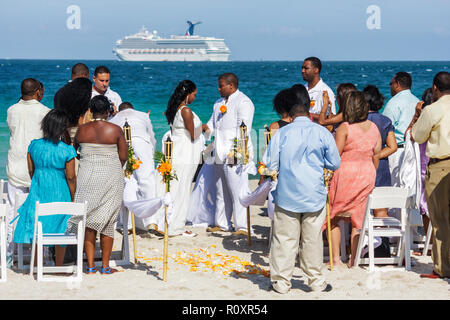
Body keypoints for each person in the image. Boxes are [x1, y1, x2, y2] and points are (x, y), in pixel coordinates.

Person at [263, 85, 340, 294]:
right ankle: (315, 281)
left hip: (287, 194)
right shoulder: (322, 132)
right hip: (314, 193)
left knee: (284, 239)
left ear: (289, 109)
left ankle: (281, 282)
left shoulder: (282, 133)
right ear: (309, 106)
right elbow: (334, 163)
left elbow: (270, 163)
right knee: (312, 239)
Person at [66, 95, 127, 274]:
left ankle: (91, 266)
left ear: (90, 111)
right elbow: (123, 156)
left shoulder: (82, 130)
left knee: (88, 220)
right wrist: (112, 166)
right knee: (108, 221)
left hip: (87, 177)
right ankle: (106, 266)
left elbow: (75, 150)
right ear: (108, 111)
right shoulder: (115, 130)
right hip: (111, 176)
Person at [13, 109, 77, 266]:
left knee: (36, 224)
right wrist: (73, 196)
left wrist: (39, 181)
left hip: (39, 188)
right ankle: (59, 265)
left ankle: (36, 264)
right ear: (63, 128)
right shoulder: (67, 150)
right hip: (60, 190)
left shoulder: (34, 146)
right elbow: (70, 177)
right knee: (60, 225)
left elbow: (31, 170)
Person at [328, 91, 381, 267]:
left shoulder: (345, 128)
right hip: (367, 173)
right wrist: (371, 172)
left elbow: (336, 156)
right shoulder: (374, 128)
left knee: (334, 216)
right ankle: (354, 260)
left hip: (345, 173)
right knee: (358, 219)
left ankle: (335, 259)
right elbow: (376, 154)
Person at [203, 73, 255, 235]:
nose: (218, 89)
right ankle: (223, 223)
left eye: (221, 86)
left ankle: (242, 226)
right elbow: (212, 124)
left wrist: (236, 152)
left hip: (234, 153)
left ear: (231, 86)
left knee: (237, 190)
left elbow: (243, 129)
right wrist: (202, 129)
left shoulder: (244, 102)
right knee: (220, 190)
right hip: (218, 152)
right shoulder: (218, 103)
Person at [6, 78, 50, 266]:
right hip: (37, 169)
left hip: (15, 166)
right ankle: (42, 256)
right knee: (41, 212)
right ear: (38, 92)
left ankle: (9, 253)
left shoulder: (11, 110)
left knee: (12, 211)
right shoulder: (45, 111)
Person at [410, 71, 450, 279]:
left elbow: (417, 136)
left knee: (440, 219)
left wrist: (418, 115)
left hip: (441, 164)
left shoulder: (432, 109)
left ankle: (442, 268)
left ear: (435, 88)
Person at [157, 80, 203, 237]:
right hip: (184, 152)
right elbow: (193, 134)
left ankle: (168, 223)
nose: (195, 98)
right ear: (188, 94)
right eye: (194, 95)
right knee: (182, 187)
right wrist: (203, 128)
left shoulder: (174, 109)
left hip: (176, 150)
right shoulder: (186, 111)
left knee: (174, 186)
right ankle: (176, 226)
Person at [109, 101, 158, 230]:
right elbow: (152, 136)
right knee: (147, 180)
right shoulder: (143, 115)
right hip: (142, 142)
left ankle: (128, 223)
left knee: (127, 181)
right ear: (133, 109)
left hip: (123, 144)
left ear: (119, 111)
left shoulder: (114, 119)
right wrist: (151, 152)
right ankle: (151, 220)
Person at [363, 85, 398, 217]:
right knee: (381, 208)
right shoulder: (385, 120)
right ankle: (383, 236)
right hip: (382, 167)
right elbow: (393, 146)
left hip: (363, 164)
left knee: (361, 209)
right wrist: (377, 155)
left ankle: (363, 237)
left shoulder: (360, 120)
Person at [382, 72, 419, 188]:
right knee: (411, 188)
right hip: (414, 150)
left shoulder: (393, 103)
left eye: (391, 83)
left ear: (397, 84)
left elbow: (384, 128)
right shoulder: (417, 101)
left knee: (394, 188)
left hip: (396, 151)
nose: (390, 86)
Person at [301, 57, 336, 122]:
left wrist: (307, 115)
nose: (302, 71)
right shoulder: (301, 89)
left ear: (316, 70)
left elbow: (331, 117)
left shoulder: (326, 91)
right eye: (302, 68)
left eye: (306, 68)